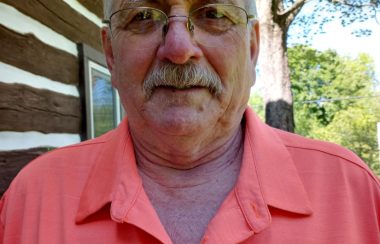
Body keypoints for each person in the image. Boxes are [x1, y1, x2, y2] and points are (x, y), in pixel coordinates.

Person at [1, 0, 379, 243]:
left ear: (251, 48)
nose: (179, 49)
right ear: (111, 54)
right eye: (143, 16)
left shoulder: (354, 194)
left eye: (214, 14)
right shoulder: (32, 198)